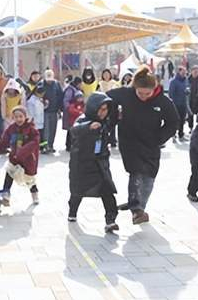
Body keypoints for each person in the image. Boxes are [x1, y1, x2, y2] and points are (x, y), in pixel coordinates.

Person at [107, 66, 179, 225]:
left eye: (148, 93)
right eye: (140, 93)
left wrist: (160, 138)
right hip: (129, 141)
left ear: (154, 89)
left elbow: (173, 122)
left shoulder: (163, 101)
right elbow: (104, 99)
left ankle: (140, 207)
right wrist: (113, 116)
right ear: (135, 87)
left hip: (151, 142)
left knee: (149, 177)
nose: (144, 97)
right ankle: (136, 209)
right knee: (136, 172)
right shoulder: (125, 94)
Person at [67, 92, 118, 233]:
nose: (102, 113)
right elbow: (74, 130)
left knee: (107, 191)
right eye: (100, 109)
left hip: (100, 163)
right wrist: (89, 126)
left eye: (105, 109)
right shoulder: (83, 119)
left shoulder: (105, 122)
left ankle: (111, 220)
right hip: (82, 163)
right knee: (77, 191)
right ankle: (72, 211)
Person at [0, 106, 40, 206]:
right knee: (9, 173)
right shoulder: (11, 128)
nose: (18, 119)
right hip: (15, 157)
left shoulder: (31, 128)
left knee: (29, 178)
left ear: (25, 116)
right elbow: (4, 140)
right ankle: (6, 194)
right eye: (16, 117)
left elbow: (35, 141)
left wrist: (24, 150)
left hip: (28, 158)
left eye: (21, 116)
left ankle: (34, 193)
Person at [42, 69, 63, 154]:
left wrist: (60, 109)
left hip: (54, 110)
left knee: (53, 129)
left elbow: (60, 96)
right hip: (45, 111)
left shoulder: (57, 84)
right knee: (46, 130)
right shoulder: (41, 84)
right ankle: (45, 146)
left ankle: (51, 146)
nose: (49, 82)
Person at [99, 69, 120, 146]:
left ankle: (112, 139)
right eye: (104, 74)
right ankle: (104, 139)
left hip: (113, 104)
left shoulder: (114, 83)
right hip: (103, 104)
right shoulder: (100, 84)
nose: (106, 76)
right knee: (103, 122)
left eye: (107, 74)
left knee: (113, 122)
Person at [25, 72, 45, 149]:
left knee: (41, 134)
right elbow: (30, 111)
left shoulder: (39, 99)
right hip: (34, 120)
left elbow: (41, 108)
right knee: (34, 135)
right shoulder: (31, 100)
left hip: (40, 120)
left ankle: (41, 147)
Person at [168, 66, 189, 140]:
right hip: (176, 104)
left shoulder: (186, 80)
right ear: (179, 72)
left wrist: (187, 92)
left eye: (185, 72)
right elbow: (171, 93)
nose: (184, 73)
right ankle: (173, 134)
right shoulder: (174, 81)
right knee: (176, 120)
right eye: (183, 72)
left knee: (182, 120)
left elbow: (187, 89)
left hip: (183, 103)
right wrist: (173, 102)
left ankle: (181, 134)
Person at [62, 76, 83, 151]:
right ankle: (68, 145)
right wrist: (70, 109)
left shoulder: (76, 89)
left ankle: (73, 144)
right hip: (70, 113)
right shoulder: (70, 90)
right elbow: (66, 101)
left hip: (75, 113)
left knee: (73, 130)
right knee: (70, 130)